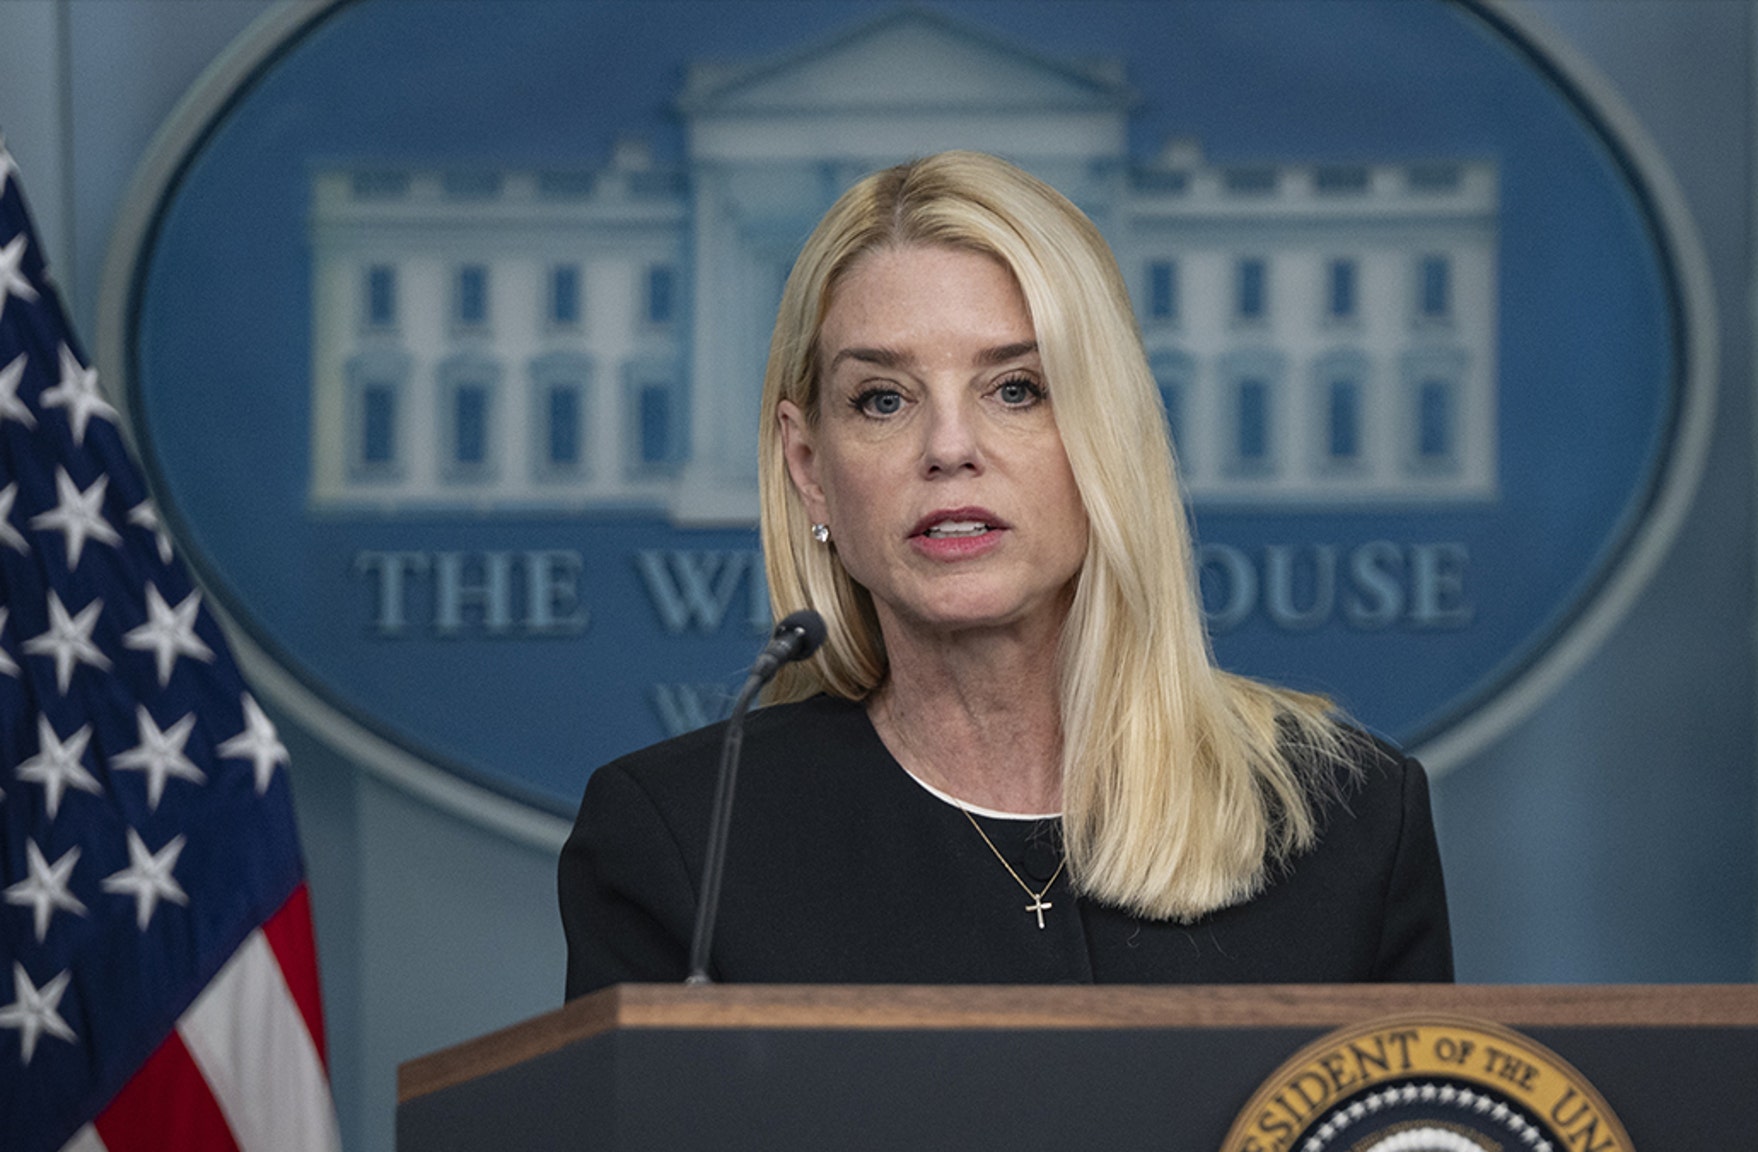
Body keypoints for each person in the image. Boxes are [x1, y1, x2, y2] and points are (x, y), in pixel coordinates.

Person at [559, 151, 1451, 993]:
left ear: (1109, 436)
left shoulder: (1347, 819)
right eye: (883, 399)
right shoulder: (686, 841)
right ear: (810, 468)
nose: (949, 447)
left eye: (1016, 388)